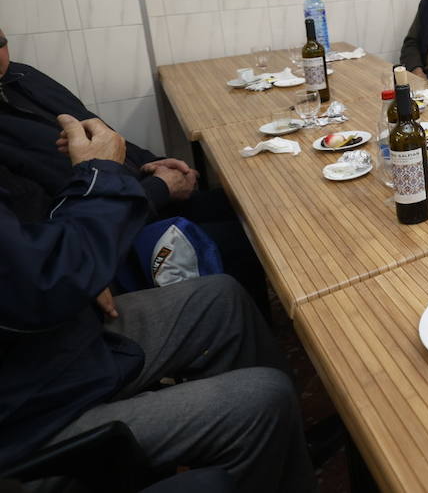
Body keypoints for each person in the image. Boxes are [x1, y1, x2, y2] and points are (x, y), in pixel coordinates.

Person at [0, 115, 315, 491]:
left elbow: (29, 253)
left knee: (221, 296)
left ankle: (287, 444)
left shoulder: (21, 85)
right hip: (32, 412)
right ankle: (257, 435)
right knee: (265, 397)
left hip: (52, 337)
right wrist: (98, 174)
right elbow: (42, 283)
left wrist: (77, 252)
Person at [0, 27, 267, 312]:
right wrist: (161, 188)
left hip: (132, 197)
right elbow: (52, 227)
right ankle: (249, 334)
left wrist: (152, 164)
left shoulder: (23, 77)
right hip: (110, 242)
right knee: (244, 241)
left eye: (1, 43)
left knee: (250, 205)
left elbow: (105, 135)